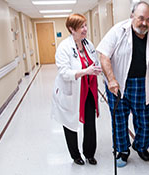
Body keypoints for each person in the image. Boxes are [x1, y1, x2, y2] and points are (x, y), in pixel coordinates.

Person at [96, 1, 149, 167]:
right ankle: (122, 151)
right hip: (118, 84)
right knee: (119, 121)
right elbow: (104, 56)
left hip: (143, 86)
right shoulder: (118, 31)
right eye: (141, 18)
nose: (145, 23)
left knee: (148, 123)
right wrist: (112, 80)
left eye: (148, 19)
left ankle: (140, 146)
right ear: (132, 16)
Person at [51, 13, 102, 165]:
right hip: (72, 92)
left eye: (85, 25)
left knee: (90, 123)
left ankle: (89, 153)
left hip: (88, 91)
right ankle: (75, 155)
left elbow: (94, 62)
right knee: (70, 123)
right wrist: (86, 72)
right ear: (72, 29)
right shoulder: (63, 48)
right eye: (81, 27)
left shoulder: (88, 44)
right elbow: (64, 73)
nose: (85, 29)